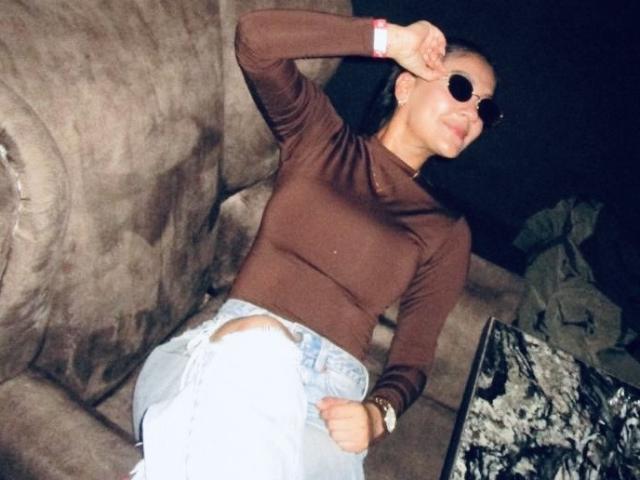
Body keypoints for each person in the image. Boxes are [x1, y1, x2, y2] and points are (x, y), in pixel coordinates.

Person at [128, 8, 501, 480]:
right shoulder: (321, 139)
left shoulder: (446, 230)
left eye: (486, 109)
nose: (472, 114)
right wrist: (389, 40)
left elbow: (413, 358)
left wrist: (377, 416)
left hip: (326, 407)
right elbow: (255, 40)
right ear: (406, 86)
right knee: (261, 345)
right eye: (462, 89)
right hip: (226, 357)